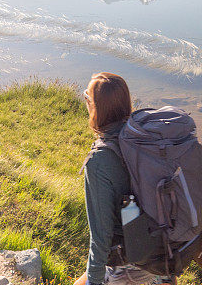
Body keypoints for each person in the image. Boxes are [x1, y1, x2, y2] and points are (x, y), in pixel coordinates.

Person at [73, 72, 173, 285]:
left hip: (128, 264)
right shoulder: (147, 141)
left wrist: (94, 282)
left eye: (86, 98)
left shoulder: (99, 161)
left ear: (94, 106)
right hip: (162, 255)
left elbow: (101, 237)